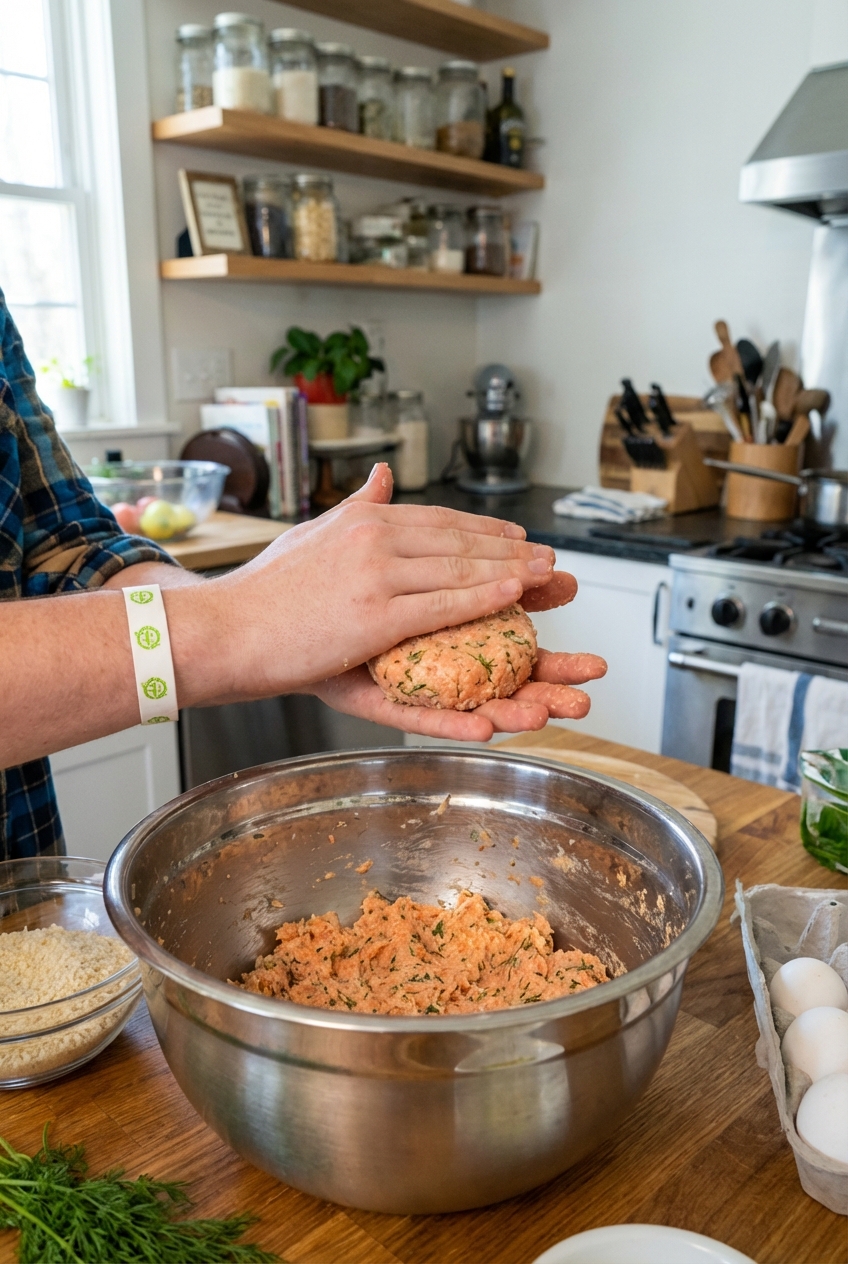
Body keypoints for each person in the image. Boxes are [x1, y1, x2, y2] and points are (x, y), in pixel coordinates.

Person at [0, 290, 606, 860]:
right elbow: (219, 624)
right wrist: (233, 623)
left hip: (24, 884)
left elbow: (71, 552)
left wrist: (280, 623)